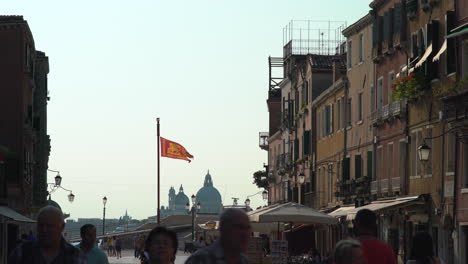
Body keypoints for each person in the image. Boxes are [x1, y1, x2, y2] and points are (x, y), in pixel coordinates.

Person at [8, 205, 86, 264]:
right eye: (41, 225)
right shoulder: (21, 252)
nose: (44, 230)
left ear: (62, 227)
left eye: (50, 226)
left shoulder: (75, 255)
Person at [186, 208, 251, 264]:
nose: (245, 233)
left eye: (248, 228)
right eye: (240, 227)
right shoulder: (200, 259)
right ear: (224, 229)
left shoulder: (243, 261)